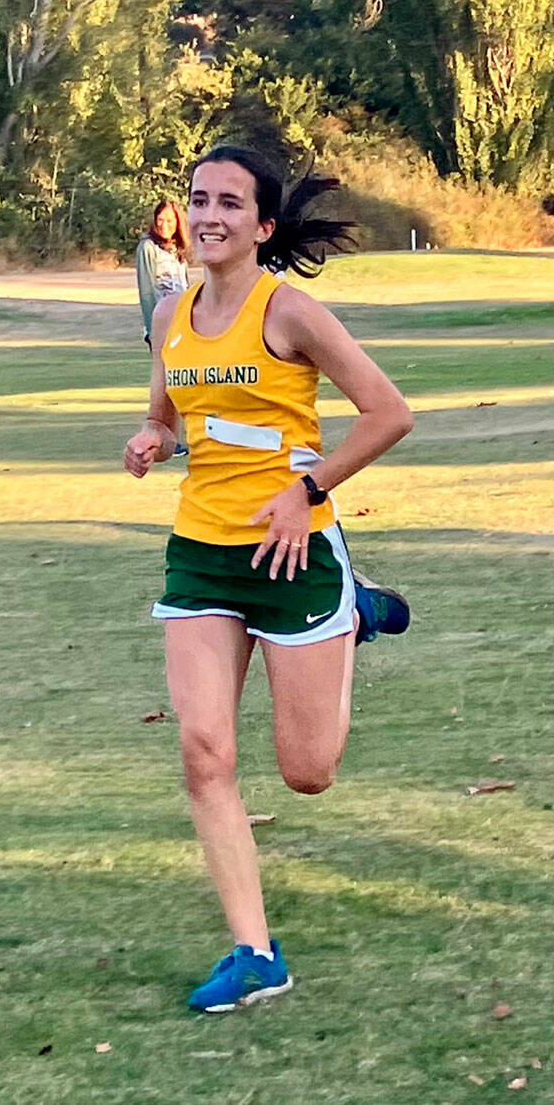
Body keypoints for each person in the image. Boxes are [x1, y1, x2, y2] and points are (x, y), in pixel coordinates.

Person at [124, 146, 413, 1013]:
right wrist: (154, 440)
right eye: (198, 198)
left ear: (262, 225)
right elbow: (166, 413)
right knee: (204, 752)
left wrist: (307, 491)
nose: (208, 214)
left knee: (307, 772)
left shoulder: (290, 311)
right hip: (202, 553)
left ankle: (350, 612)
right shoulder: (173, 314)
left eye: (228, 203)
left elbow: (389, 413)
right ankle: (255, 952)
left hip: (293, 556)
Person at [135, 200, 191, 456]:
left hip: (184, 322)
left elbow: (185, 286)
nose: (164, 225)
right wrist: (152, 329)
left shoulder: (177, 250)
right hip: (163, 325)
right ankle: (170, 437)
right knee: (167, 382)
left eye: (169, 220)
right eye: (160, 220)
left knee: (186, 379)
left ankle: (194, 434)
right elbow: (147, 291)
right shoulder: (148, 248)